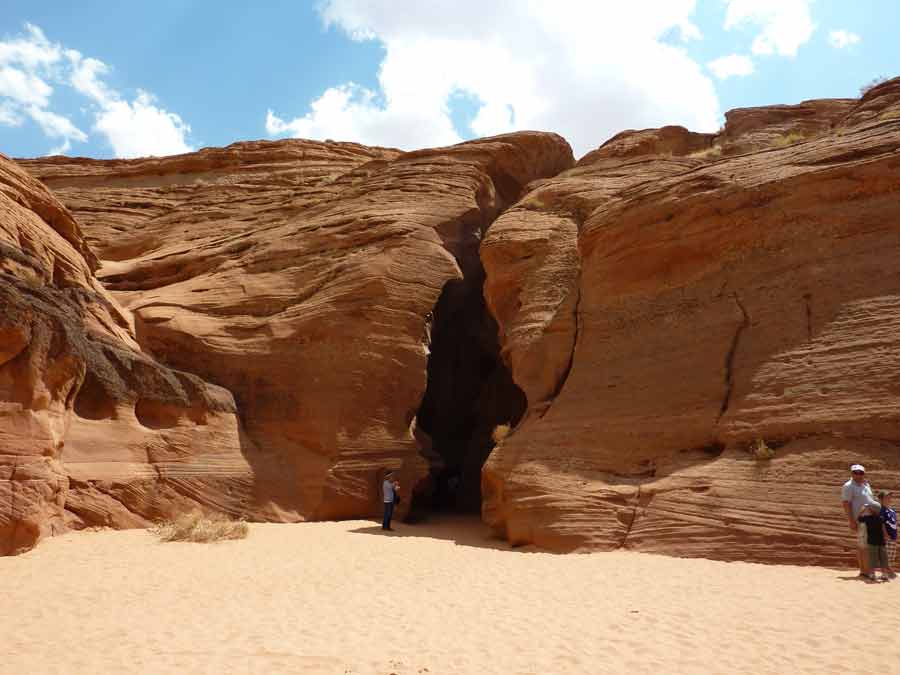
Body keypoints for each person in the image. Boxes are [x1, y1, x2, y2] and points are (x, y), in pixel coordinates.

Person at [841, 464, 880, 576]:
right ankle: (867, 571)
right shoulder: (848, 486)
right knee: (865, 546)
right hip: (861, 519)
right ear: (851, 473)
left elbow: (870, 501)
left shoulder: (866, 484)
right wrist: (852, 521)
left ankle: (864, 571)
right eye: (855, 472)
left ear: (864, 473)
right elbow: (846, 503)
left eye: (860, 472)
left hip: (871, 518)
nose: (858, 475)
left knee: (864, 546)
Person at [858, 503, 890, 581]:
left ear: (871, 510)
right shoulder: (881, 518)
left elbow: (859, 518)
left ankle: (872, 574)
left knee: (872, 558)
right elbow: (883, 529)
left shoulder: (867, 518)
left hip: (872, 542)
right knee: (883, 558)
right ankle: (884, 574)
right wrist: (886, 536)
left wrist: (862, 510)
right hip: (881, 541)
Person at [879, 491, 897, 577]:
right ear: (881, 499)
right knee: (885, 556)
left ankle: (888, 572)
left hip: (893, 536)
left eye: (889, 497)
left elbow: (894, 523)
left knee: (891, 556)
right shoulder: (882, 510)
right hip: (887, 536)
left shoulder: (892, 510)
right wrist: (885, 534)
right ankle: (885, 573)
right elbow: (882, 523)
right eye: (886, 497)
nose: (889, 499)